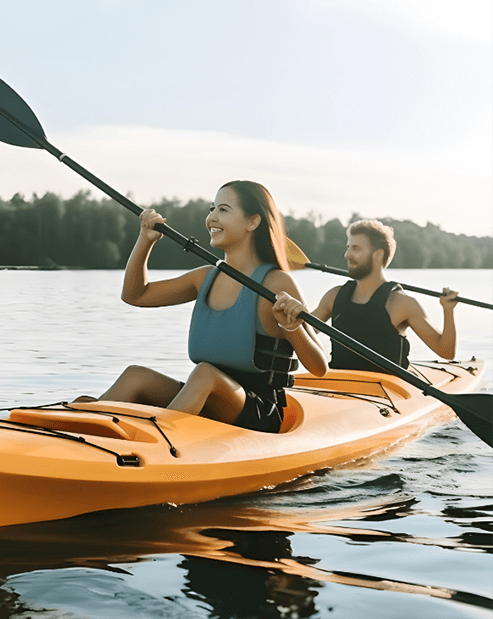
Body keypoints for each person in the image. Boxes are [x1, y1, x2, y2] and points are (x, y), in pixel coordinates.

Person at [77, 180, 328, 434]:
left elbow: (319, 367)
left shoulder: (276, 282)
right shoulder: (205, 277)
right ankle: (85, 429)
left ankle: (157, 438)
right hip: (206, 399)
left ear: (253, 222)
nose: (211, 218)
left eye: (223, 210)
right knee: (135, 376)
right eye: (212, 209)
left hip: (260, 412)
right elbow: (135, 295)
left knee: (204, 374)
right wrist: (145, 240)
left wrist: (292, 327)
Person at [290, 219, 459, 371]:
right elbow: (301, 333)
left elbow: (446, 352)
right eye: (348, 247)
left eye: (355, 248)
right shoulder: (334, 296)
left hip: (388, 394)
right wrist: (291, 318)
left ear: (378, 255)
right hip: (339, 388)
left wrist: (448, 310)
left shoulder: (401, 303)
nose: (347, 255)